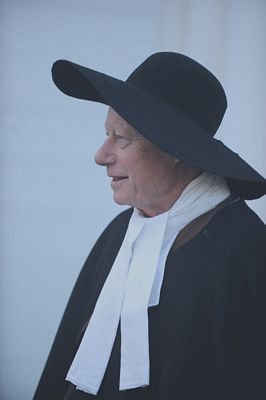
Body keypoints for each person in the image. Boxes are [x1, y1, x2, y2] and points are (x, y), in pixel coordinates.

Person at [33, 52, 266, 400]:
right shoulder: (120, 234)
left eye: (122, 139)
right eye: (106, 135)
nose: (101, 155)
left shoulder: (244, 251)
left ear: (175, 148)